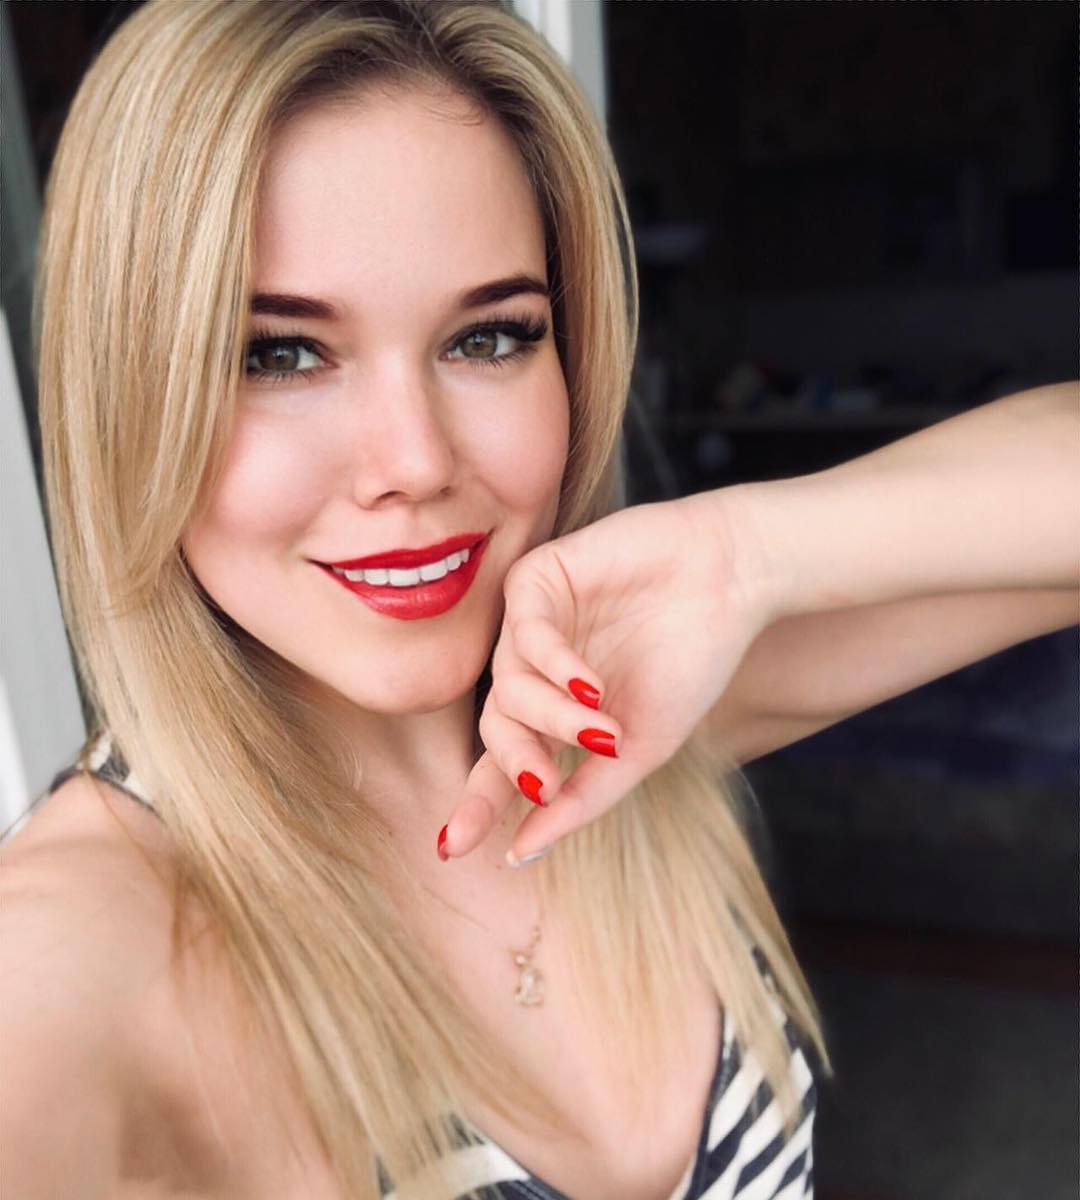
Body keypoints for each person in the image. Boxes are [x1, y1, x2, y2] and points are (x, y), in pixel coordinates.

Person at [2, 2, 1074, 1199]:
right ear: (129, 394)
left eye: (490, 337)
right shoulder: (95, 937)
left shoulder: (615, 708)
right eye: (279, 354)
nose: (415, 461)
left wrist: (747, 552)